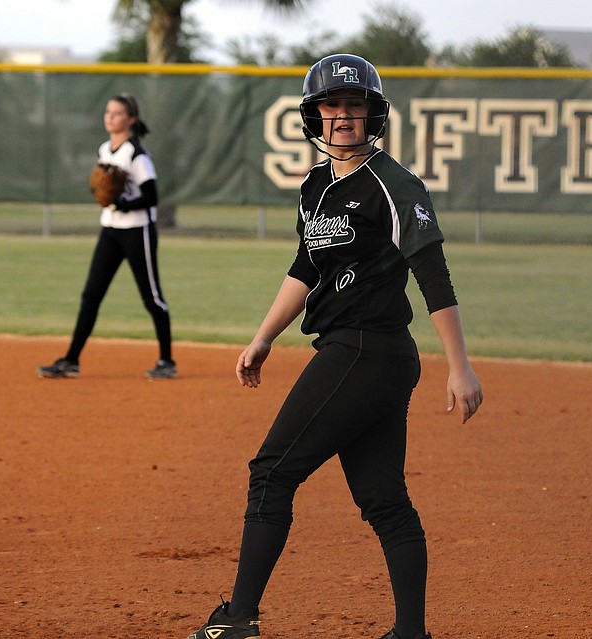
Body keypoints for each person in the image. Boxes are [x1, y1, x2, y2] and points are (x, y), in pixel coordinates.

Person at [187, 54, 483, 639]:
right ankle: (411, 632)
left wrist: (461, 367)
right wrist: (263, 336)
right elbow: (305, 268)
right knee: (383, 498)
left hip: (368, 350)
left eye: (355, 105)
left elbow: (434, 275)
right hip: (356, 352)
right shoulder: (316, 186)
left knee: (272, 471)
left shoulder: (394, 184)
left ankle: (240, 618)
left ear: (373, 114)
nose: (344, 115)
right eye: (332, 105)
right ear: (314, 116)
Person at [36, 93, 176, 381]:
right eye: (108, 112)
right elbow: (106, 191)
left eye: (117, 113)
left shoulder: (137, 154)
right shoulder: (105, 149)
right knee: (91, 295)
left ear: (131, 119)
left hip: (138, 231)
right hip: (111, 230)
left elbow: (151, 197)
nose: (110, 117)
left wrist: (122, 203)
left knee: (152, 298)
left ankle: (167, 361)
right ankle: (71, 360)